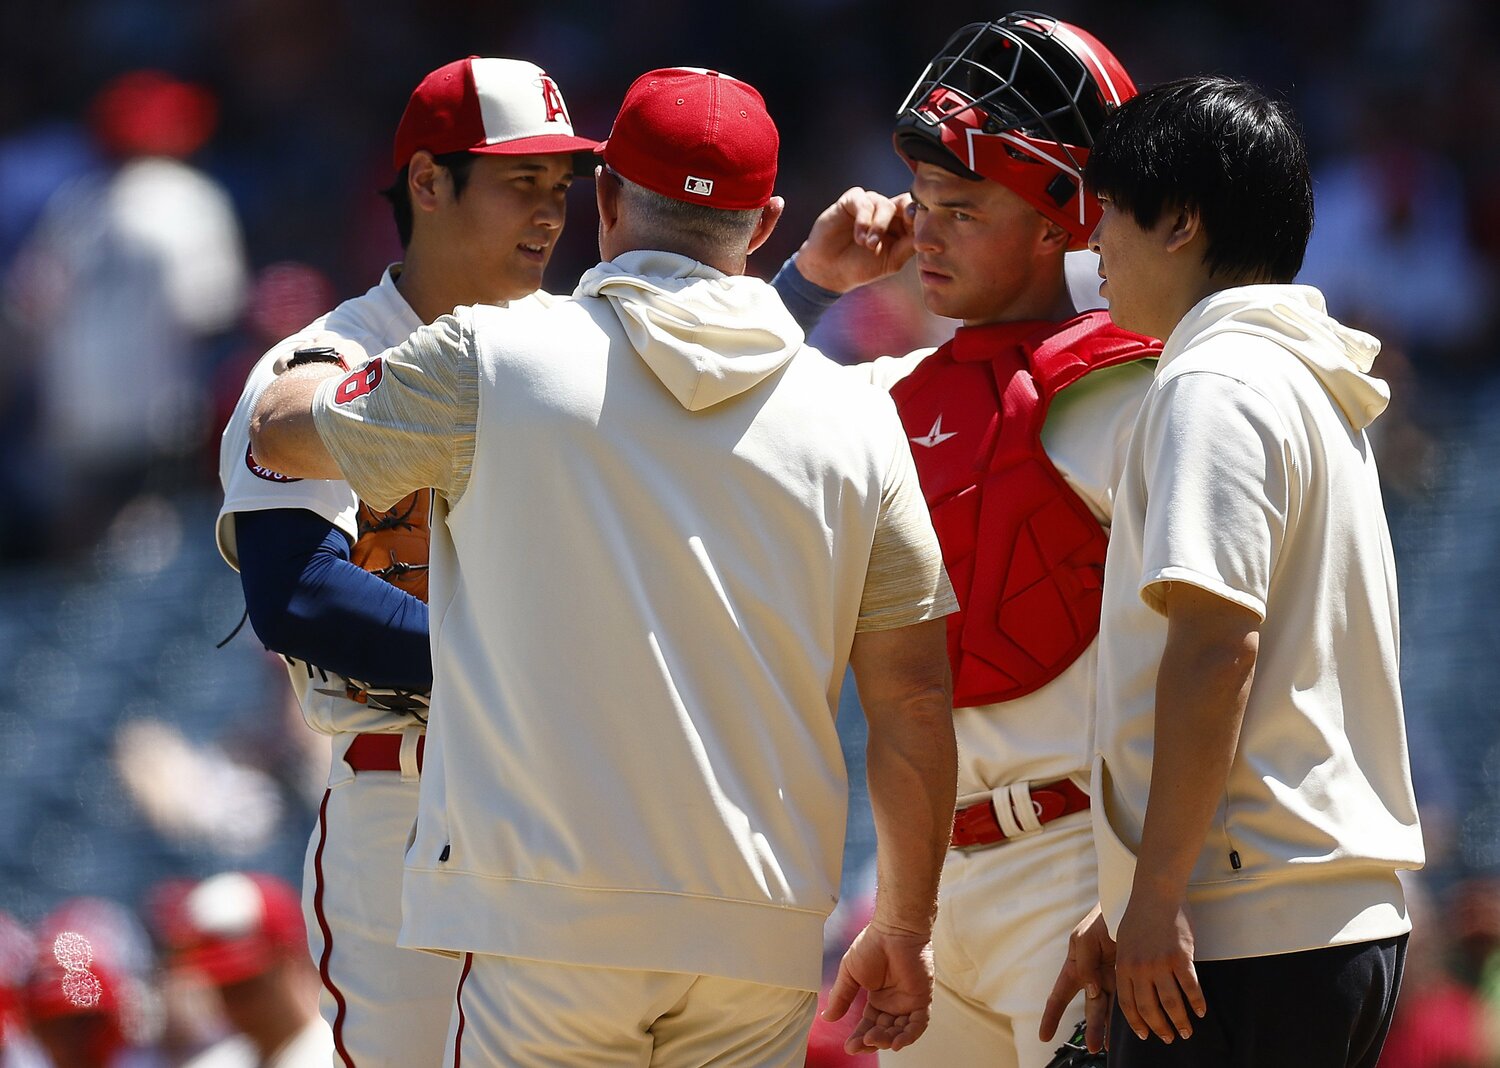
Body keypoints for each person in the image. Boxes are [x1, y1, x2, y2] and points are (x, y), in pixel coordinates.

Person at [250, 66, 958, 1066]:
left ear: (610, 198)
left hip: (551, 918)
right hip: (761, 928)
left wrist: (321, 372)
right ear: (763, 226)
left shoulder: (492, 357)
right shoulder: (852, 414)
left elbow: (285, 438)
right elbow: (916, 699)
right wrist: (906, 925)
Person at [774, 14, 1158, 1066]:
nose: (926, 234)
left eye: (964, 208)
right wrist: (807, 286)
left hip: (1084, 864)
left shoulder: (1139, 391)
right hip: (923, 889)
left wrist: (1146, 890)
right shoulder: (883, 393)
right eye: (922, 205)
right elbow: (702, 430)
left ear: (1056, 222)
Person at [214, 55, 599, 1065]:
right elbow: (297, 593)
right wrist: (513, 666)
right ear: (429, 184)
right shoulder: (324, 366)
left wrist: (809, 288)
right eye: (522, 183)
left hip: (575, 795)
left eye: (562, 188)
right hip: (410, 796)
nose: (552, 214)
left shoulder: (588, 352)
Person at [1039, 75, 1425, 1065]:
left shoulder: (1213, 380)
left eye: (1113, 212)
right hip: (1317, 914)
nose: (1095, 245)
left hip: (1244, 924)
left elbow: (1218, 650)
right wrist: (1133, 896)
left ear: (1183, 224)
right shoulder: (1308, 379)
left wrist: (1161, 896)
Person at [172, 872, 332, 1068]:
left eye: (248, 985)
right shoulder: (216, 1062)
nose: (236, 1004)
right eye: (223, 988)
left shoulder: (348, 1053)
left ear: (290, 959)